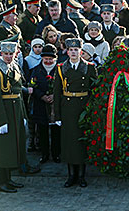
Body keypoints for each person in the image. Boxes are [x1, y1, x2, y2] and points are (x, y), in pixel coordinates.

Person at [0, 42, 32, 193]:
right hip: (4, 114)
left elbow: (18, 93)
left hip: (16, 111)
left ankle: (8, 179)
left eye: (11, 54)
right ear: (1, 53)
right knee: (2, 149)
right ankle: (0, 181)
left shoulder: (14, 67)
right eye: (6, 54)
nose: (8, 57)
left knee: (12, 147)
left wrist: (23, 115)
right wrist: (1, 121)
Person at [53, 38, 98, 187]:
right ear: (67, 51)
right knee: (69, 142)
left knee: (81, 142)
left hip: (83, 107)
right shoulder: (61, 68)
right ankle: (71, 174)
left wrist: (92, 111)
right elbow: (57, 92)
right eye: (70, 50)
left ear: (81, 51)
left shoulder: (90, 67)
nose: (73, 52)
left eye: (76, 50)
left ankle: (81, 175)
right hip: (67, 108)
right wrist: (57, 115)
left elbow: (94, 91)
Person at [30, 44, 61, 164]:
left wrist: (54, 95)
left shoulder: (59, 70)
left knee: (55, 131)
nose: (48, 61)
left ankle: (56, 154)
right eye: (45, 59)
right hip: (41, 104)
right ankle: (44, 154)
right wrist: (42, 96)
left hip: (55, 105)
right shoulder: (36, 70)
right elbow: (32, 85)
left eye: (50, 59)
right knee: (42, 131)